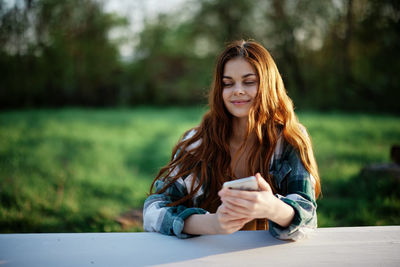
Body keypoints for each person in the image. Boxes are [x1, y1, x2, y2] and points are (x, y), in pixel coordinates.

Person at [143, 40, 321, 241]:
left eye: (249, 81)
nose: (237, 90)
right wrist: (213, 223)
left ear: (268, 85)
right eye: (228, 83)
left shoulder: (290, 139)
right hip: (205, 255)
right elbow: (153, 211)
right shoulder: (197, 144)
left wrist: (272, 207)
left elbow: (308, 217)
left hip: (269, 255)